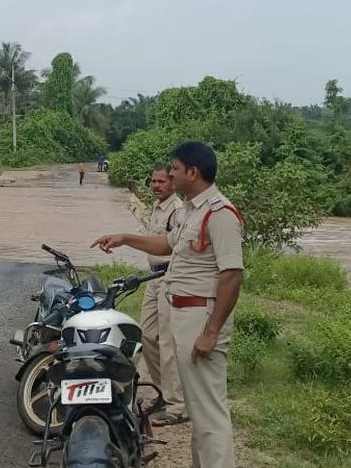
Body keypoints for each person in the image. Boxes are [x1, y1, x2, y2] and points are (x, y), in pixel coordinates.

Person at [93, 142, 244, 468]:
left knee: (209, 412)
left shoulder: (220, 214)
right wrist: (124, 237)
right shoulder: (193, 211)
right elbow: (167, 244)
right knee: (198, 408)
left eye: (175, 169)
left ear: (193, 172)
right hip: (183, 312)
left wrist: (211, 331)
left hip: (200, 316)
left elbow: (232, 275)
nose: (169, 174)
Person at [140, 165, 188, 427]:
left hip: (169, 277)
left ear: (172, 183)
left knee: (168, 342)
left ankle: (177, 405)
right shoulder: (157, 207)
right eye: (153, 180)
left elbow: (176, 248)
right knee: (147, 334)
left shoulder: (178, 210)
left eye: (161, 181)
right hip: (152, 276)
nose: (156, 185)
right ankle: (161, 392)